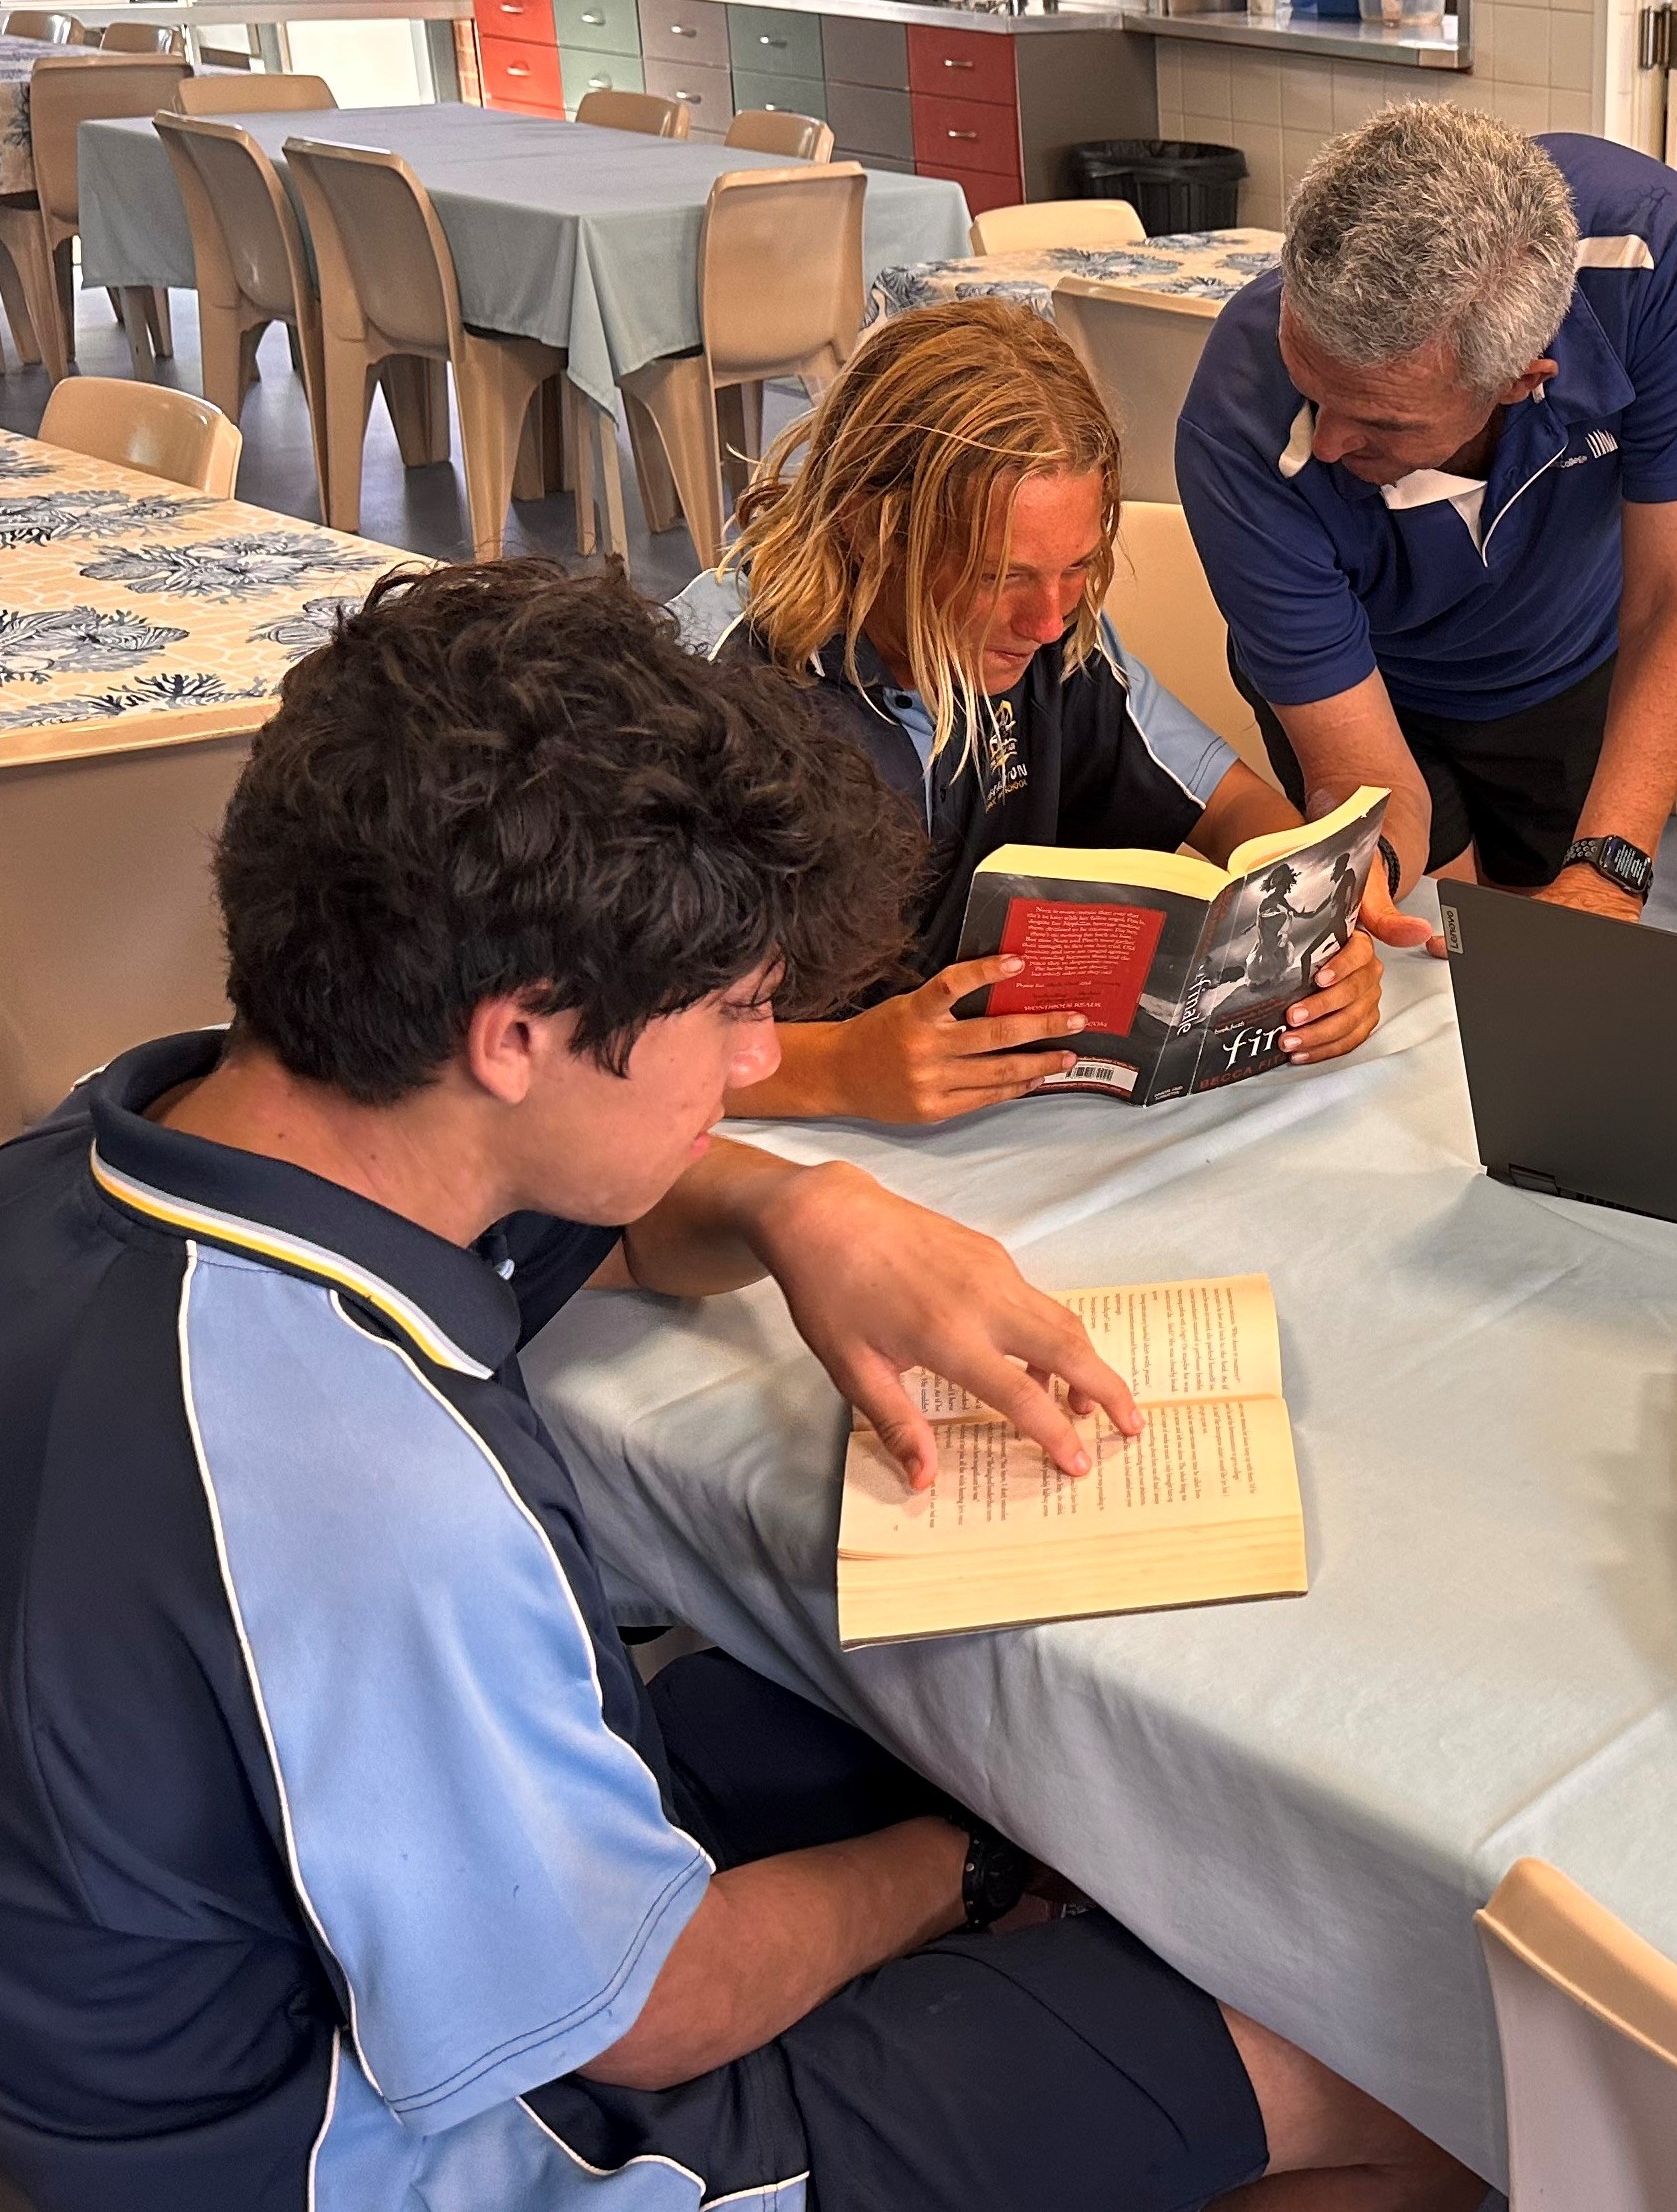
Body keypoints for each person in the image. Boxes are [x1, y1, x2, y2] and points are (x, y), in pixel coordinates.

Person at [0, 560, 1480, 2212]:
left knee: (902, 1718)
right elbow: (649, 2011)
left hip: (185, 1992)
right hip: (374, 2148)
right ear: (518, 1035)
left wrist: (794, 1204)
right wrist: (974, 1868)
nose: (766, 1066)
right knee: (1374, 2055)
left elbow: (595, 1234)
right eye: (735, 1014)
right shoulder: (369, 1493)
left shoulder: (122, 1144)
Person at [675, 296, 1424, 1126]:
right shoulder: (708, 697)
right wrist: (839, 1070)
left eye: (1077, 567)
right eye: (1002, 577)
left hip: (994, 1118)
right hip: (762, 1131)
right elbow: (582, 1047)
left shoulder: (1063, 649)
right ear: (869, 527)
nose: (1049, 620)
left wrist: (1316, 942)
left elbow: (1242, 809)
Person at [1176, 102, 1677, 925]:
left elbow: (1672, 596)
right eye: (1311, 386)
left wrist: (1609, 872)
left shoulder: (1648, 250)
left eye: (1382, 421)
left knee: (1548, 948)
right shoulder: (1234, 418)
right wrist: (1374, 877)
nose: (1327, 444)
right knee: (1434, 950)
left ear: (1519, 379)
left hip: (1562, 660)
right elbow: (1368, 774)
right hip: (1362, 682)